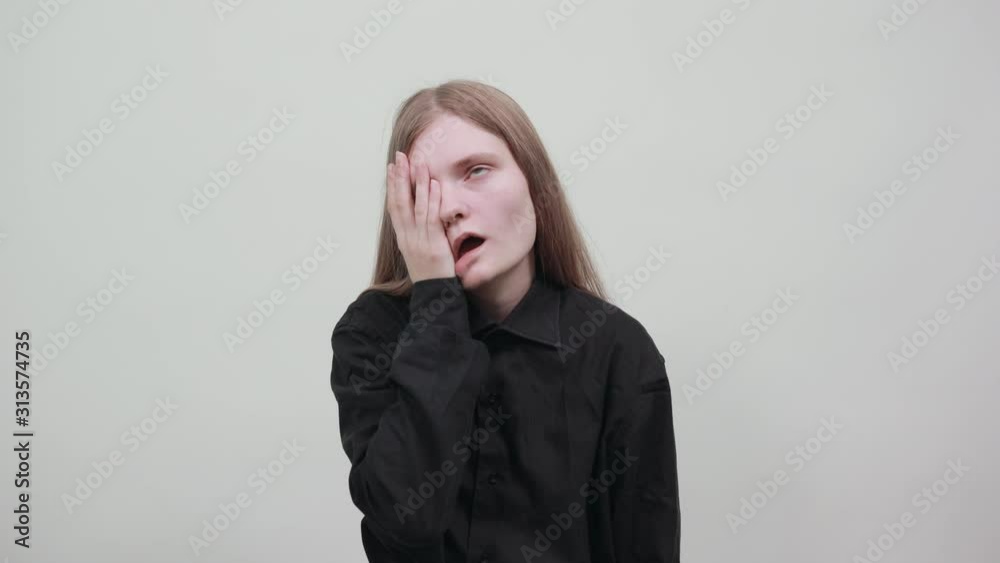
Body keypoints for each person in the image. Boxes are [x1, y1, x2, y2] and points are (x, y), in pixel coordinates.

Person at [329, 80, 680, 562]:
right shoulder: (370, 333)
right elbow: (407, 521)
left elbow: (645, 544)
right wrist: (435, 299)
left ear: (533, 181)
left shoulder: (618, 350)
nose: (449, 208)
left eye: (476, 171)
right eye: (424, 190)